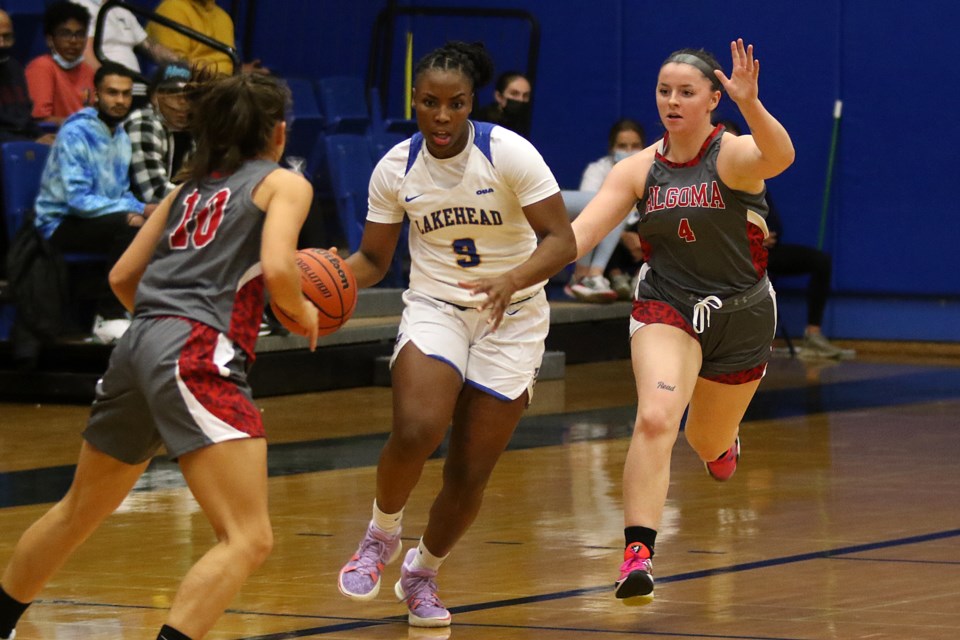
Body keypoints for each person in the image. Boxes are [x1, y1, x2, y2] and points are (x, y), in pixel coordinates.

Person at [0, 71, 320, 640]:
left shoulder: (185, 188)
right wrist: (301, 310)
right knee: (249, 537)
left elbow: (123, 275)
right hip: (196, 350)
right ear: (278, 133)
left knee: (78, 510)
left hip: (139, 339)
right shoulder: (283, 183)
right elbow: (277, 269)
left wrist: (159, 327)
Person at [336, 41, 575, 628]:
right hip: (437, 306)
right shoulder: (395, 168)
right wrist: (320, 279)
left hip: (514, 316)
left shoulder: (509, 153)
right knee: (418, 428)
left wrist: (511, 280)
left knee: (469, 471)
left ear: (472, 104)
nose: (441, 117)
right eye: (429, 103)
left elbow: (562, 242)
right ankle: (380, 535)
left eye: (455, 104)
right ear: (412, 102)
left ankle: (422, 572)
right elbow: (372, 259)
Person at [570, 39, 795, 605]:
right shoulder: (638, 169)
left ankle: (722, 446)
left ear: (712, 100)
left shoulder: (734, 154)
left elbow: (781, 157)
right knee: (655, 417)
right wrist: (515, 272)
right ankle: (637, 554)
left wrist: (752, 104)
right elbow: (581, 236)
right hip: (667, 305)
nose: (672, 101)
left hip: (742, 314)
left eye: (686, 92)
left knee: (705, 439)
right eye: (664, 91)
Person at [714, 119, 855, 360]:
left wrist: (763, 235)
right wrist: (746, 235)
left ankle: (813, 335)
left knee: (820, 261)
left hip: (761, 251)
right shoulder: (707, 182)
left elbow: (775, 224)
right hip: (727, 256)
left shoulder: (751, 176)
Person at [33, 61, 152, 343]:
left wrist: (144, 209)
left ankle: (138, 310)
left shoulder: (121, 137)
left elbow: (120, 193)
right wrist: (134, 210)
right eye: (112, 93)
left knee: (152, 225)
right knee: (129, 226)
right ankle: (108, 315)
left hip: (95, 221)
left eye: (125, 94)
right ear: (95, 94)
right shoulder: (76, 133)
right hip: (60, 223)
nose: (120, 100)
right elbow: (77, 200)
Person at [565, 118, 646, 302]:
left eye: (635, 145)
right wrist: (624, 236)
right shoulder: (597, 170)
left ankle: (640, 278)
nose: (628, 151)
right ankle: (591, 277)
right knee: (611, 207)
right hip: (610, 241)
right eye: (622, 146)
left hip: (642, 241)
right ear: (612, 148)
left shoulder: (654, 170)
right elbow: (591, 214)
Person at [70, 0, 180, 106]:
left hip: (135, 85)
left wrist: (183, 65)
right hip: (111, 86)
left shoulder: (120, 7)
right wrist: (112, 84)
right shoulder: (80, 5)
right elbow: (86, 57)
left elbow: (151, 47)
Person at [125, 60, 196, 204]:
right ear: (154, 97)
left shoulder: (189, 128)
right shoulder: (144, 124)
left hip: (172, 210)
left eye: (188, 95)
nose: (182, 102)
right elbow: (154, 193)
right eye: (173, 93)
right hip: (135, 212)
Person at [147, 0, 267, 76]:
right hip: (192, 89)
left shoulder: (223, 17)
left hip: (225, 85)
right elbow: (177, 69)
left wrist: (239, 70)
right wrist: (229, 75)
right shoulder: (171, 9)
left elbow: (227, 62)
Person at [24, 1, 96, 126]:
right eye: (65, 34)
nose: (73, 41)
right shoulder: (41, 67)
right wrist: (83, 126)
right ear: (50, 40)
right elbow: (40, 120)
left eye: (79, 34)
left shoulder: (88, 70)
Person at [0, 11, 57, 144]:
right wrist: (32, 140)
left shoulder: (14, 68)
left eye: (6, 37)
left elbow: (24, 121)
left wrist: (41, 135)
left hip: (21, 145)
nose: (1, 43)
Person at [471, 70, 532, 138]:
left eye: (525, 95)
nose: (521, 99)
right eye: (514, 93)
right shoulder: (482, 123)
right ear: (499, 96)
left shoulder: (520, 123)